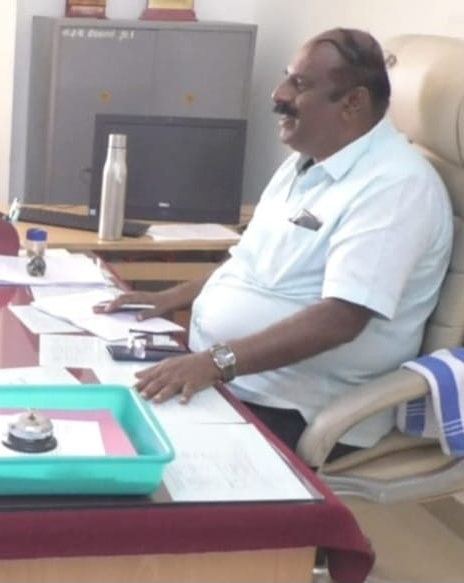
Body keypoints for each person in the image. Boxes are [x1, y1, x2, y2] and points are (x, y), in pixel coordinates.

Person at [96, 28, 453, 458]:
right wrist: (168, 298)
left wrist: (214, 363)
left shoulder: (394, 187)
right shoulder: (305, 163)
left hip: (294, 406)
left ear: (352, 102)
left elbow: (341, 319)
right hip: (233, 378)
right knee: (96, 402)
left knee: (132, 454)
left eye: (299, 84)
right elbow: (249, 262)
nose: (278, 94)